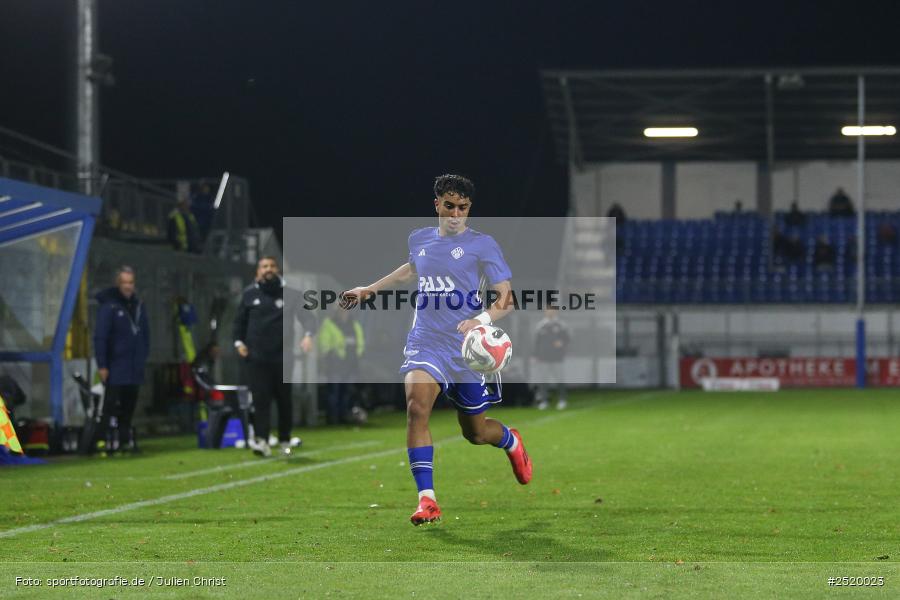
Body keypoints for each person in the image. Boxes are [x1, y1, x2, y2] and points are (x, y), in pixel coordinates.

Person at [341, 174, 532, 526]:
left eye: (463, 207)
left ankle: (509, 440)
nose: (456, 213)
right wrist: (369, 289)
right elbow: (409, 271)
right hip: (426, 341)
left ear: (469, 208)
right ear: (437, 205)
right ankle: (426, 500)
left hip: (466, 350)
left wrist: (481, 320)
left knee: (475, 433)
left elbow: (506, 298)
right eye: (449, 206)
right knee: (416, 407)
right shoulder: (419, 238)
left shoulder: (483, 245)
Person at [233, 256, 316, 457]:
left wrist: (308, 336)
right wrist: (239, 343)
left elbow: (308, 318)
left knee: (284, 401)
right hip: (257, 358)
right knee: (260, 401)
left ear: (277, 270)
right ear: (258, 271)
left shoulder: (291, 294)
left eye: (271, 266)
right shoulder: (249, 294)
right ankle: (261, 440)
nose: (268, 269)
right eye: (264, 266)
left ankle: (285, 440)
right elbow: (239, 323)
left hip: (282, 357)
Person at [92, 266, 150, 454]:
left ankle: (124, 441)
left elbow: (146, 335)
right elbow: (101, 337)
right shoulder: (109, 306)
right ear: (118, 284)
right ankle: (100, 441)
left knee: (129, 406)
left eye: (131, 282)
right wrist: (102, 365)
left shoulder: (139, 305)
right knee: (109, 406)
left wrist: (142, 357)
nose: (128, 286)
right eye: (124, 282)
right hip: (115, 366)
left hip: (133, 366)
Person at [318, 310, 365, 424]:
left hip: (350, 364)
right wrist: (332, 355)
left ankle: (344, 417)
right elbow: (324, 343)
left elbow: (360, 342)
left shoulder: (354, 324)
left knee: (347, 392)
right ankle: (332, 419)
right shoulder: (329, 324)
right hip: (335, 365)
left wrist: (356, 356)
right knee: (334, 392)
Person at [532, 307, 570, 410]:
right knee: (543, 380)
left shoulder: (561, 325)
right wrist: (535, 355)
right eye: (548, 310)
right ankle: (544, 401)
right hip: (543, 358)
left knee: (560, 379)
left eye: (552, 310)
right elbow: (536, 342)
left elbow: (567, 339)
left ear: (556, 311)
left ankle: (562, 400)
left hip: (557, 358)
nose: (550, 312)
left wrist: (562, 343)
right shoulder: (541, 325)